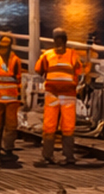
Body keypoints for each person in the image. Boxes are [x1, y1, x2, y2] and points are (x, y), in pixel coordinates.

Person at [34, 28, 86, 165]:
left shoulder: (48, 55)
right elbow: (79, 71)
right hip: (64, 94)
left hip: (57, 94)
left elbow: (39, 70)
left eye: (59, 39)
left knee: (57, 126)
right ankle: (62, 156)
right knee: (57, 126)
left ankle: (54, 156)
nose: (59, 42)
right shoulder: (71, 54)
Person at [0, 35, 23, 160]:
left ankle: (8, 149)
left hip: (11, 98)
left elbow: (18, 77)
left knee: (11, 126)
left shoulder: (15, 60)